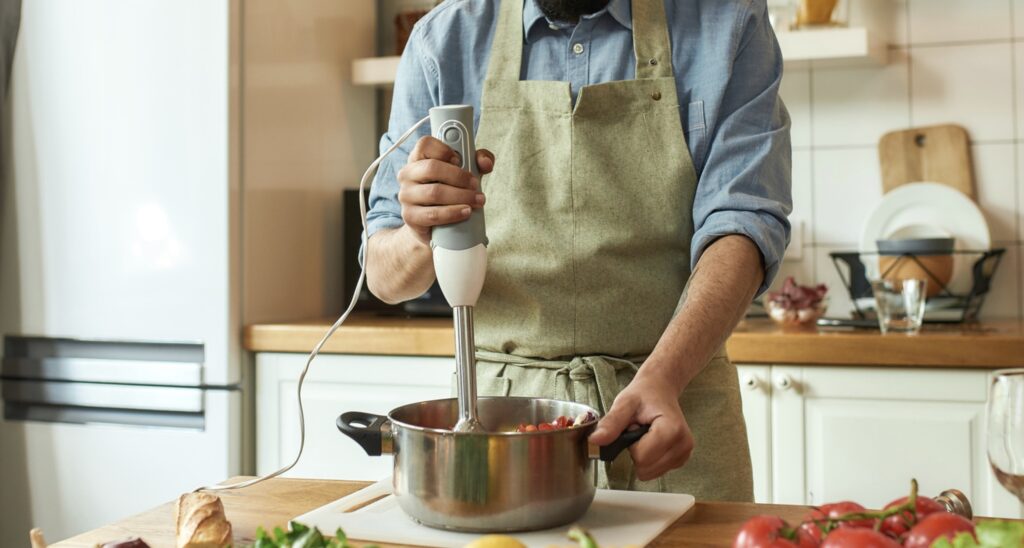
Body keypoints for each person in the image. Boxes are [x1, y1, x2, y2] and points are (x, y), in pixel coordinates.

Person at [364, 0, 791, 501]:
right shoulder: (443, 41)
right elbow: (383, 277)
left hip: (670, 412)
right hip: (498, 431)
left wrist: (664, 377)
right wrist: (421, 231)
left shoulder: (729, 23)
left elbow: (742, 223)